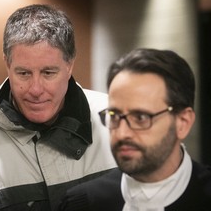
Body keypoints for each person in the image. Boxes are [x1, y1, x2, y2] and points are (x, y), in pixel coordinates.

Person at [0, 4, 116, 211]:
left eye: (48, 73)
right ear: (7, 64)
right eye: (23, 73)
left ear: (69, 65)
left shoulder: (114, 120)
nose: (35, 89)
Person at [57, 48, 211, 211]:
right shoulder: (83, 203)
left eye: (141, 117)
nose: (122, 133)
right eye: (115, 115)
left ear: (183, 122)